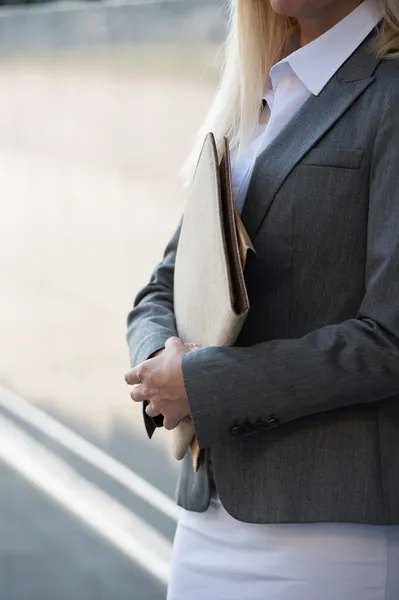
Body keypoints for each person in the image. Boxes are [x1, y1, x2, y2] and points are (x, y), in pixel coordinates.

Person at [124, 1, 399, 598]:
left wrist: (199, 383)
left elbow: (390, 340)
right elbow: (161, 286)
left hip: (328, 533)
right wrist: (159, 369)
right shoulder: (254, 97)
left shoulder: (391, 94)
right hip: (205, 518)